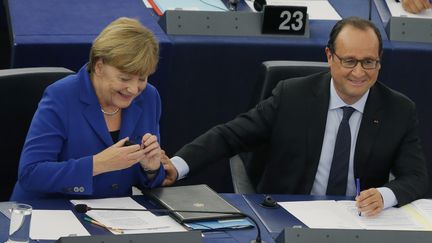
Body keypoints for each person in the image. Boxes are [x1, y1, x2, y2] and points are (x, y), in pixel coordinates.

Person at [162, 17, 428, 216]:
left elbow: (416, 177)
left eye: (368, 62)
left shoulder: (398, 110)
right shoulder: (292, 96)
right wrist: (177, 165)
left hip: (357, 221)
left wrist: (384, 195)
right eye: (349, 61)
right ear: (329, 56)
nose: (359, 72)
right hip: (289, 215)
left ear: (379, 61)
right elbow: (229, 136)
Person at [11, 17, 165, 200]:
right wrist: (98, 164)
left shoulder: (149, 97)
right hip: (50, 212)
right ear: (99, 67)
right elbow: (31, 174)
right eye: (124, 79)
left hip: (115, 215)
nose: (133, 89)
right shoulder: (61, 96)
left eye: (142, 79)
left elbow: (147, 181)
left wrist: (151, 168)